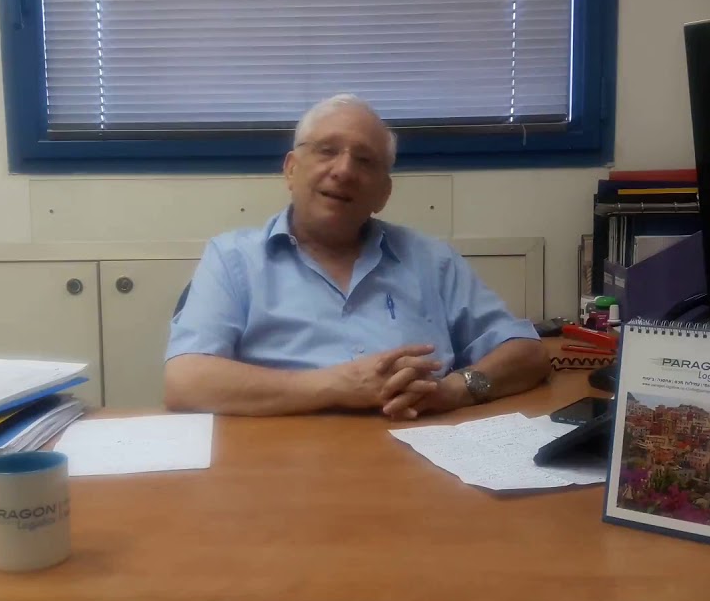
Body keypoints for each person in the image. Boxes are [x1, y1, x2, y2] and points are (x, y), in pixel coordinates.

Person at [164, 94, 549, 419]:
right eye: (327, 151)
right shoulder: (232, 259)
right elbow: (186, 382)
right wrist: (339, 385)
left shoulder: (432, 261)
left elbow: (527, 353)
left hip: (419, 454)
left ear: (384, 193)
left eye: (365, 160)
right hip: (280, 462)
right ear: (291, 170)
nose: (344, 170)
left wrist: (455, 390)